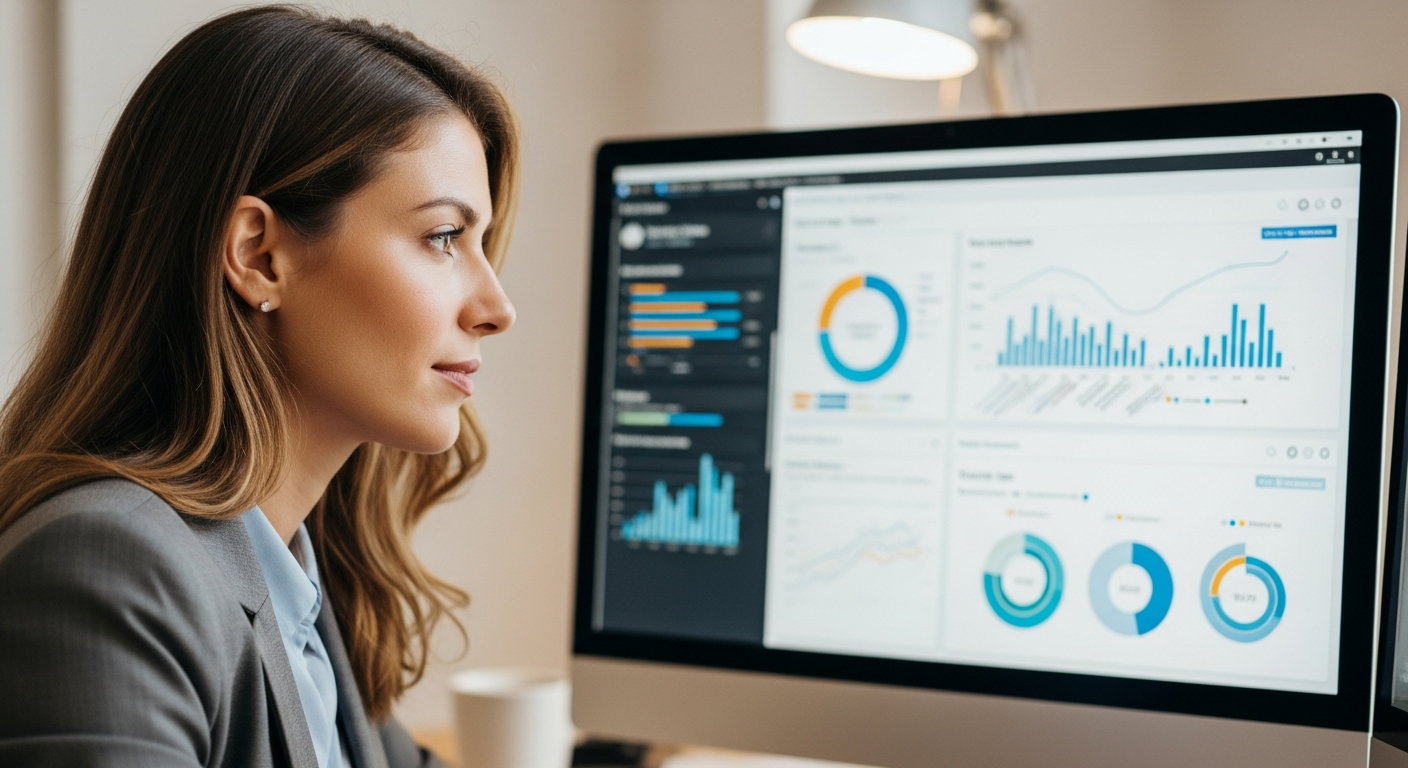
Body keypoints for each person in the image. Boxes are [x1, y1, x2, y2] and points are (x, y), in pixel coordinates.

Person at [0, 6, 517, 767]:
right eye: (443, 237)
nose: (497, 309)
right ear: (259, 256)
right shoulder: (110, 570)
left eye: (481, 243)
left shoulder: (299, 574)